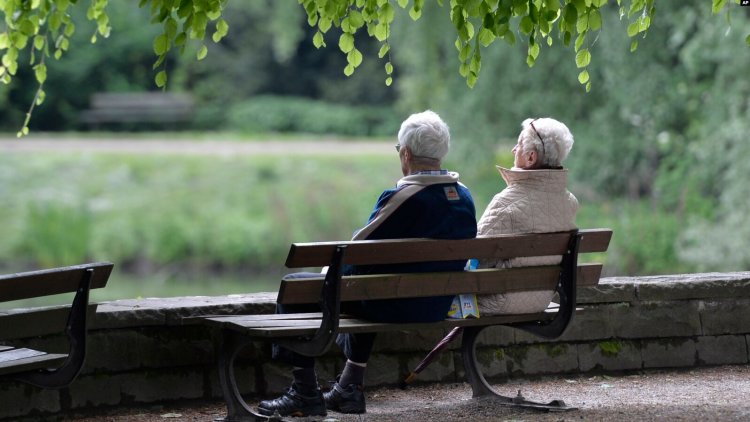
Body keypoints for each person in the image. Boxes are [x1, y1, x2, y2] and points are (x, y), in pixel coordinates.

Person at [257, 110, 477, 417]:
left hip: (397, 304)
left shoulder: (404, 197)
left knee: (300, 286)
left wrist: (327, 276)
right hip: (436, 305)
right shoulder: (464, 197)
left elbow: (354, 250)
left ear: (406, 154)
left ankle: (304, 391)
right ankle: (349, 387)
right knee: (371, 282)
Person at [475, 117, 578, 315]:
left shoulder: (506, 203)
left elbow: (475, 258)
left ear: (531, 158)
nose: (514, 150)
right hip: (541, 300)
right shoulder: (570, 202)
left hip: (498, 301)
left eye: (519, 144)